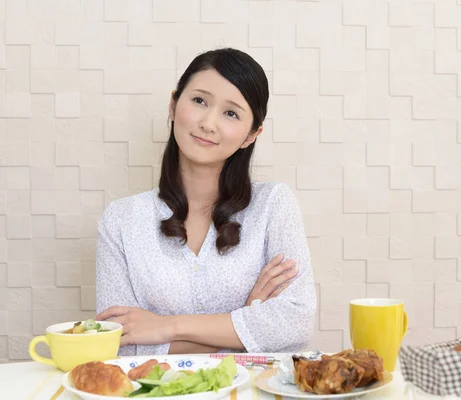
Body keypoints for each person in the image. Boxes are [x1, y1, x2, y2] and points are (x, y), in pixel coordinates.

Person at [95, 48, 317, 356]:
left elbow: (296, 325)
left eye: (231, 113)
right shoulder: (121, 220)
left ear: (251, 134)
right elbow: (118, 344)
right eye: (199, 101)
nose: (208, 123)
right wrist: (248, 317)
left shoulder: (273, 206)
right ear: (173, 104)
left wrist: (166, 326)